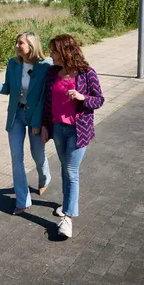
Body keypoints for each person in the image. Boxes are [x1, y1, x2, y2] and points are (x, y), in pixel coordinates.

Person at [41, 34, 104, 238]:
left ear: (65, 52)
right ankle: (67, 204)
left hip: (79, 130)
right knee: (65, 170)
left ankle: (67, 218)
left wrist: (82, 97)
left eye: (53, 50)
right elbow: (47, 103)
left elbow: (99, 99)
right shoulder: (52, 73)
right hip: (58, 129)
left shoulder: (87, 73)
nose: (50, 54)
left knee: (70, 170)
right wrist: (45, 126)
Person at [0, 32, 52, 215]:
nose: (17, 46)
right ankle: (23, 200)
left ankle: (44, 178)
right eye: (16, 43)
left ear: (31, 45)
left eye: (20, 43)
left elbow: (43, 98)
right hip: (16, 115)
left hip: (35, 117)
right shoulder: (13, 64)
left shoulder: (45, 66)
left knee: (37, 155)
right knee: (17, 159)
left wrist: (37, 122)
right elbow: (9, 88)